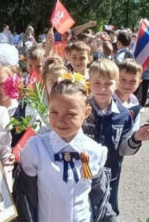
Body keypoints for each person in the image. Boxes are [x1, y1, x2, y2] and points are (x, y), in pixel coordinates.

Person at [15, 80, 116, 222]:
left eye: (70, 114)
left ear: (86, 112)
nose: (60, 121)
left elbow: (100, 199)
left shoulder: (95, 151)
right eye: (54, 112)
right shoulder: (35, 148)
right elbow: (25, 195)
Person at [84, 59, 149, 214]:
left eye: (108, 83)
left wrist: (136, 137)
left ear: (116, 84)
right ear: (89, 83)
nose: (102, 88)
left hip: (110, 175)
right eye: (97, 83)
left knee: (107, 211)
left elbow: (123, 149)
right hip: (82, 175)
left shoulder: (123, 115)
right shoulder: (80, 109)